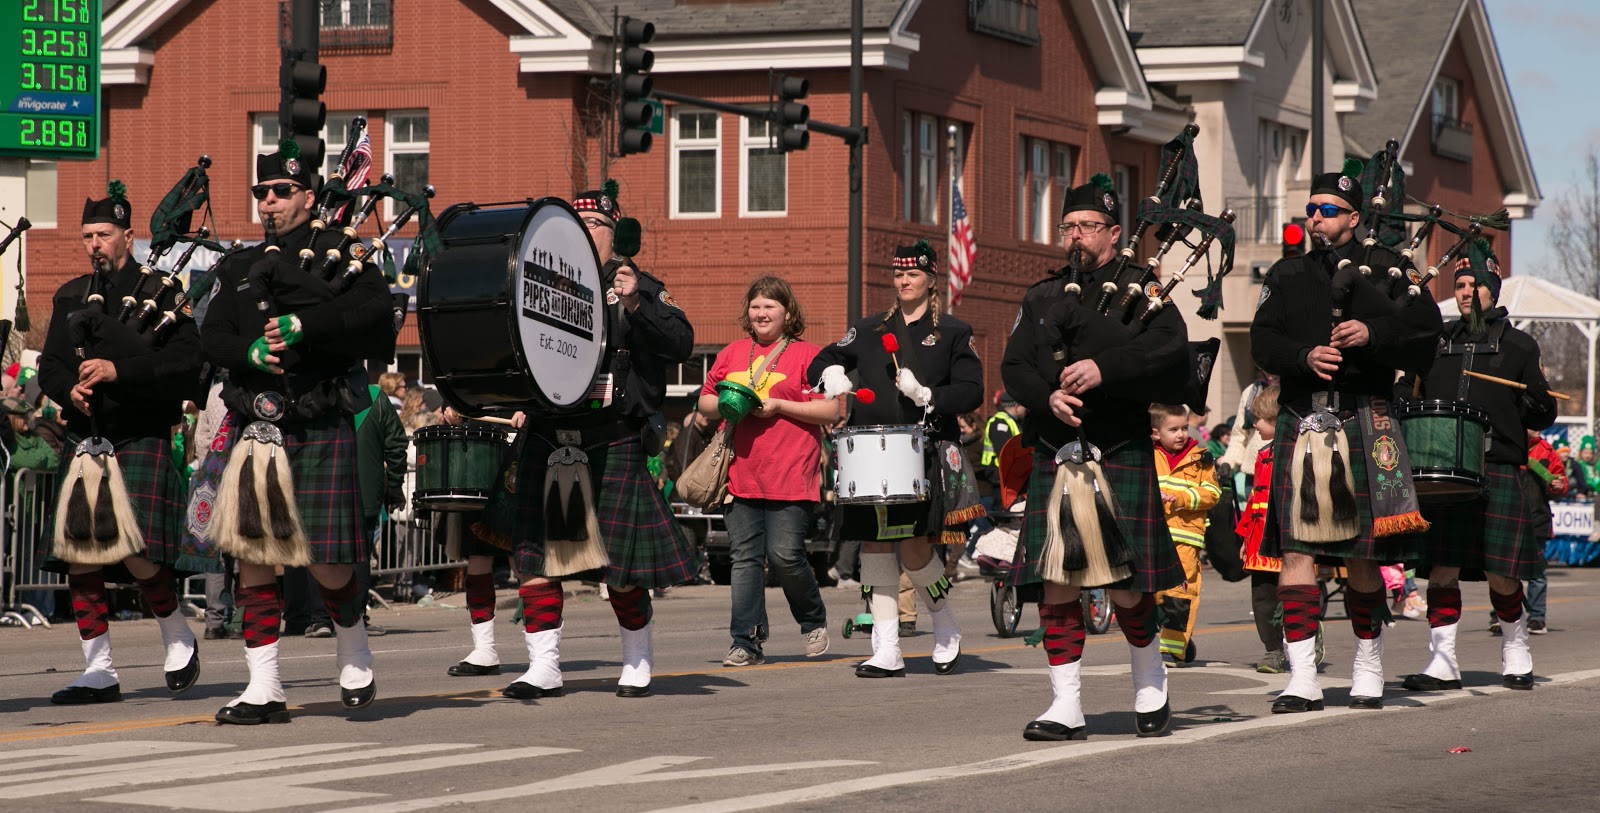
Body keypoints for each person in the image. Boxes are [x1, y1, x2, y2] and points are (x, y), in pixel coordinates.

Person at [200, 141, 395, 724]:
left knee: (327, 561)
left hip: (316, 419)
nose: (269, 202)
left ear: (309, 197)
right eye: (262, 192)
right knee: (254, 555)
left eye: (282, 192)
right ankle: (265, 686)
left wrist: (304, 324)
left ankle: (353, 639)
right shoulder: (237, 266)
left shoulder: (344, 253)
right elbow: (210, 337)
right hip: (256, 424)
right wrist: (252, 350)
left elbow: (374, 321)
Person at [487, 182, 699, 700]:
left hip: (613, 437)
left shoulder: (640, 285)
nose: (584, 233)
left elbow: (682, 343)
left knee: (621, 567)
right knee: (535, 558)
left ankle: (637, 656)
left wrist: (633, 305)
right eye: (575, 225)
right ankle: (544, 666)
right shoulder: (538, 281)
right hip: (549, 433)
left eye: (597, 226)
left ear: (616, 235)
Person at [1001, 174, 1190, 740]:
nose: (1076, 236)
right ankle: (1066, 705)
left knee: (1126, 582)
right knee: (1058, 577)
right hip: (1056, 449)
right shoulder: (1042, 295)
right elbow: (1015, 366)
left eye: (1087, 226)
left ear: (1114, 233)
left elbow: (1169, 349)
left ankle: (1150, 676)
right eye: (1069, 226)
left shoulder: (1144, 291)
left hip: (1119, 444)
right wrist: (1047, 398)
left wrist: (1106, 369)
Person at [1251, 161, 1443, 713]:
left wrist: (1374, 332)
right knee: (1295, 550)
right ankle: (1303, 675)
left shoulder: (1388, 270)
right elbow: (1262, 341)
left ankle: (1367, 662)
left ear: (1354, 217)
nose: (1315, 217)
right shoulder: (1288, 276)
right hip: (1302, 413)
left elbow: (1425, 334)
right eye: (1310, 209)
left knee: (1364, 554)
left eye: (1327, 210)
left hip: (1365, 414)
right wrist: (1302, 355)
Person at [37, 180, 208, 704]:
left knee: (137, 551)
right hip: (87, 435)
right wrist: (72, 392)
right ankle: (98, 669)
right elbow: (50, 367)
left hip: (140, 432)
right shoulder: (69, 295)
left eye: (104, 234)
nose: (94, 244)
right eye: (87, 235)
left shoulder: (162, 292)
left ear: (128, 236)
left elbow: (186, 366)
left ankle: (178, 636)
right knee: (81, 554)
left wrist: (120, 371)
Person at [809, 240, 983, 678]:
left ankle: (944, 623)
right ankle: (886, 648)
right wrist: (828, 374)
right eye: (899, 274)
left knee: (916, 549)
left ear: (930, 279)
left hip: (922, 450)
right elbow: (824, 359)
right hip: (869, 453)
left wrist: (929, 395)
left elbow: (972, 390)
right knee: (873, 546)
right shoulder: (869, 329)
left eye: (913, 275)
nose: (904, 281)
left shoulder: (953, 333)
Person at [1394, 252, 1554, 693]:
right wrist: (1401, 393)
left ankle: (1516, 648)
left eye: (1474, 285)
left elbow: (1540, 415)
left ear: (1492, 291)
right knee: (1442, 568)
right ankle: (1442, 662)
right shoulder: (1437, 340)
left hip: (1497, 463)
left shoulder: (1520, 345)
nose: (1465, 293)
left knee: (1502, 571)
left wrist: (1540, 401)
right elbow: (1408, 389)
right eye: (1460, 285)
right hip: (1444, 468)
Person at [700, 276, 836, 666]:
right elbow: (704, 403)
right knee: (744, 558)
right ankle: (746, 640)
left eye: (769, 306)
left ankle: (812, 620)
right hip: (740, 474)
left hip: (793, 473)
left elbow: (830, 410)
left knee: (784, 556)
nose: (761, 313)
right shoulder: (732, 353)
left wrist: (779, 406)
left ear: (787, 313)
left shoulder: (810, 356)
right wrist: (728, 403)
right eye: (755, 306)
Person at [1151, 403, 1221, 667]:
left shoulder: (1201, 457)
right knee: (1155, 594)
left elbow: (1212, 494)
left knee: (1179, 593)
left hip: (1184, 538)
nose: (1181, 434)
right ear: (1156, 433)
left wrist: (1180, 498)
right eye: (1173, 429)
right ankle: (1180, 638)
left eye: (1184, 427)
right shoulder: (1148, 455)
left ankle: (1170, 650)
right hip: (1154, 537)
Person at [1235, 383, 1287, 673]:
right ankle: (1272, 650)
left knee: (1291, 592)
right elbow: (1255, 498)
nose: (1254, 424)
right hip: (1259, 541)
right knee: (1263, 597)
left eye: (1261, 419)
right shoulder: (1262, 455)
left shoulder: (1292, 454)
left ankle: (1304, 638)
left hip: (1285, 539)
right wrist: (1244, 537)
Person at [3, 398, 60, 472]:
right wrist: (43, 455)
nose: (27, 418)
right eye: (23, 416)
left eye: (27, 415)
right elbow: (27, 462)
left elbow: (55, 459)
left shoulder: (33, 435)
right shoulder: (7, 439)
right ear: (11, 418)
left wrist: (35, 457)